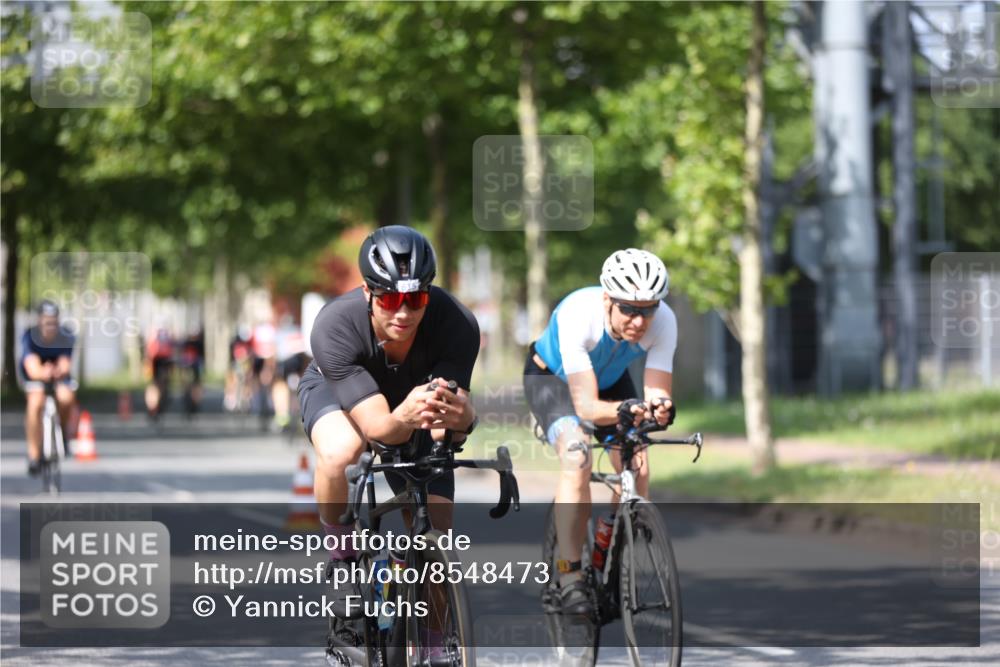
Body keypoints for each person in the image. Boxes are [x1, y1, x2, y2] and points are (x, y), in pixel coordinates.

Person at [297, 225, 479, 619]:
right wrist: (405, 417)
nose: (403, 313)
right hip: (340, 393)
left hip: (413, 399)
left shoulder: (457, 323)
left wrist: (463, 420)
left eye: (415, 299)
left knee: (436, 534)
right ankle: (342, 558)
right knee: (343, 450)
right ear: (368, 292)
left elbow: (445, 428)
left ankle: (433, 640)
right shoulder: (335, 325)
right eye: (391, 299)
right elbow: (378, 429)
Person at [523, 248, 677, 616]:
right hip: (553, 382)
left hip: (609, 382)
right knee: (577, 458)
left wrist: (660, 408)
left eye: (648, 310)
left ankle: (612, 556)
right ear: (607, 299)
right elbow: (586, 408)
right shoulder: (579, 314)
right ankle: (569, 574)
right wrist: (627, 410)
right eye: (629, 310)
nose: (639, 321)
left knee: (638, 468)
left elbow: (657, 392)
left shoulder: (665, 320)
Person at [20, 300, 77, 476]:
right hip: (36, 376)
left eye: (53, 322)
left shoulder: (66, 336)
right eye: (47, 322)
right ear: (39, 320)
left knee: (66, 398)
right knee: (35, 403)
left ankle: (64, 434)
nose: (50, 326)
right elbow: (32, 367)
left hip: (58, 376)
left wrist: (57, 371)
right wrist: (43, 372)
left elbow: (65, 364)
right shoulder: (29, 336)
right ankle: (34, 455)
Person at [272, 315, 309, 431]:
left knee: (280, 385)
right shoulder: (299, 331)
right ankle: (302, 411)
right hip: (298, 361)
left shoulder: (279, 333)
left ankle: (282, 415)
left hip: (284, 361)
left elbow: (275, 352)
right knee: (301, 385)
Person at [144, 324, 175, 420]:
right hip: (162, 364)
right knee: (160, 387)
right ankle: (156, 407)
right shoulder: (166, 336)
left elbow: (148, 353)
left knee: (154, 386)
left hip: (156, 364)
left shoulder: (153, 335)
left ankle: (153, 408)